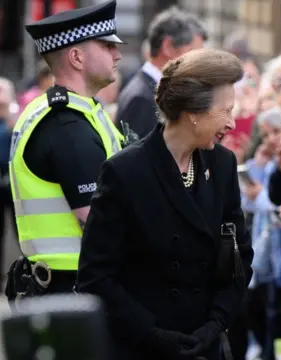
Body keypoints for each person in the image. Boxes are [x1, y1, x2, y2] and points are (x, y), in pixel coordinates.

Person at [76, 48, 254, 360]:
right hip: (142, 347)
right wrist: (152, 333)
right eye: (225, 111)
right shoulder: (125, 171)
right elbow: (95, 276)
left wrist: (215, 324)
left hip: (205, 345)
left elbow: (241, 259)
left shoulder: (222, 164)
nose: (231, 121)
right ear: (193, 112)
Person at [5, 0, 123, 299]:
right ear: (76, 57)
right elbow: (99, 223)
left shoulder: (78, 113)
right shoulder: (67, 127)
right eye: (107, 46)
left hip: (68, 285)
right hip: (73, 290)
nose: (118, 54)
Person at [116, 6, 205, 141]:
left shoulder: (151, 91)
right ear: (168, 46)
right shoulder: (141, 98)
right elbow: (137, 157)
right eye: (193, 53)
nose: (199, 63)